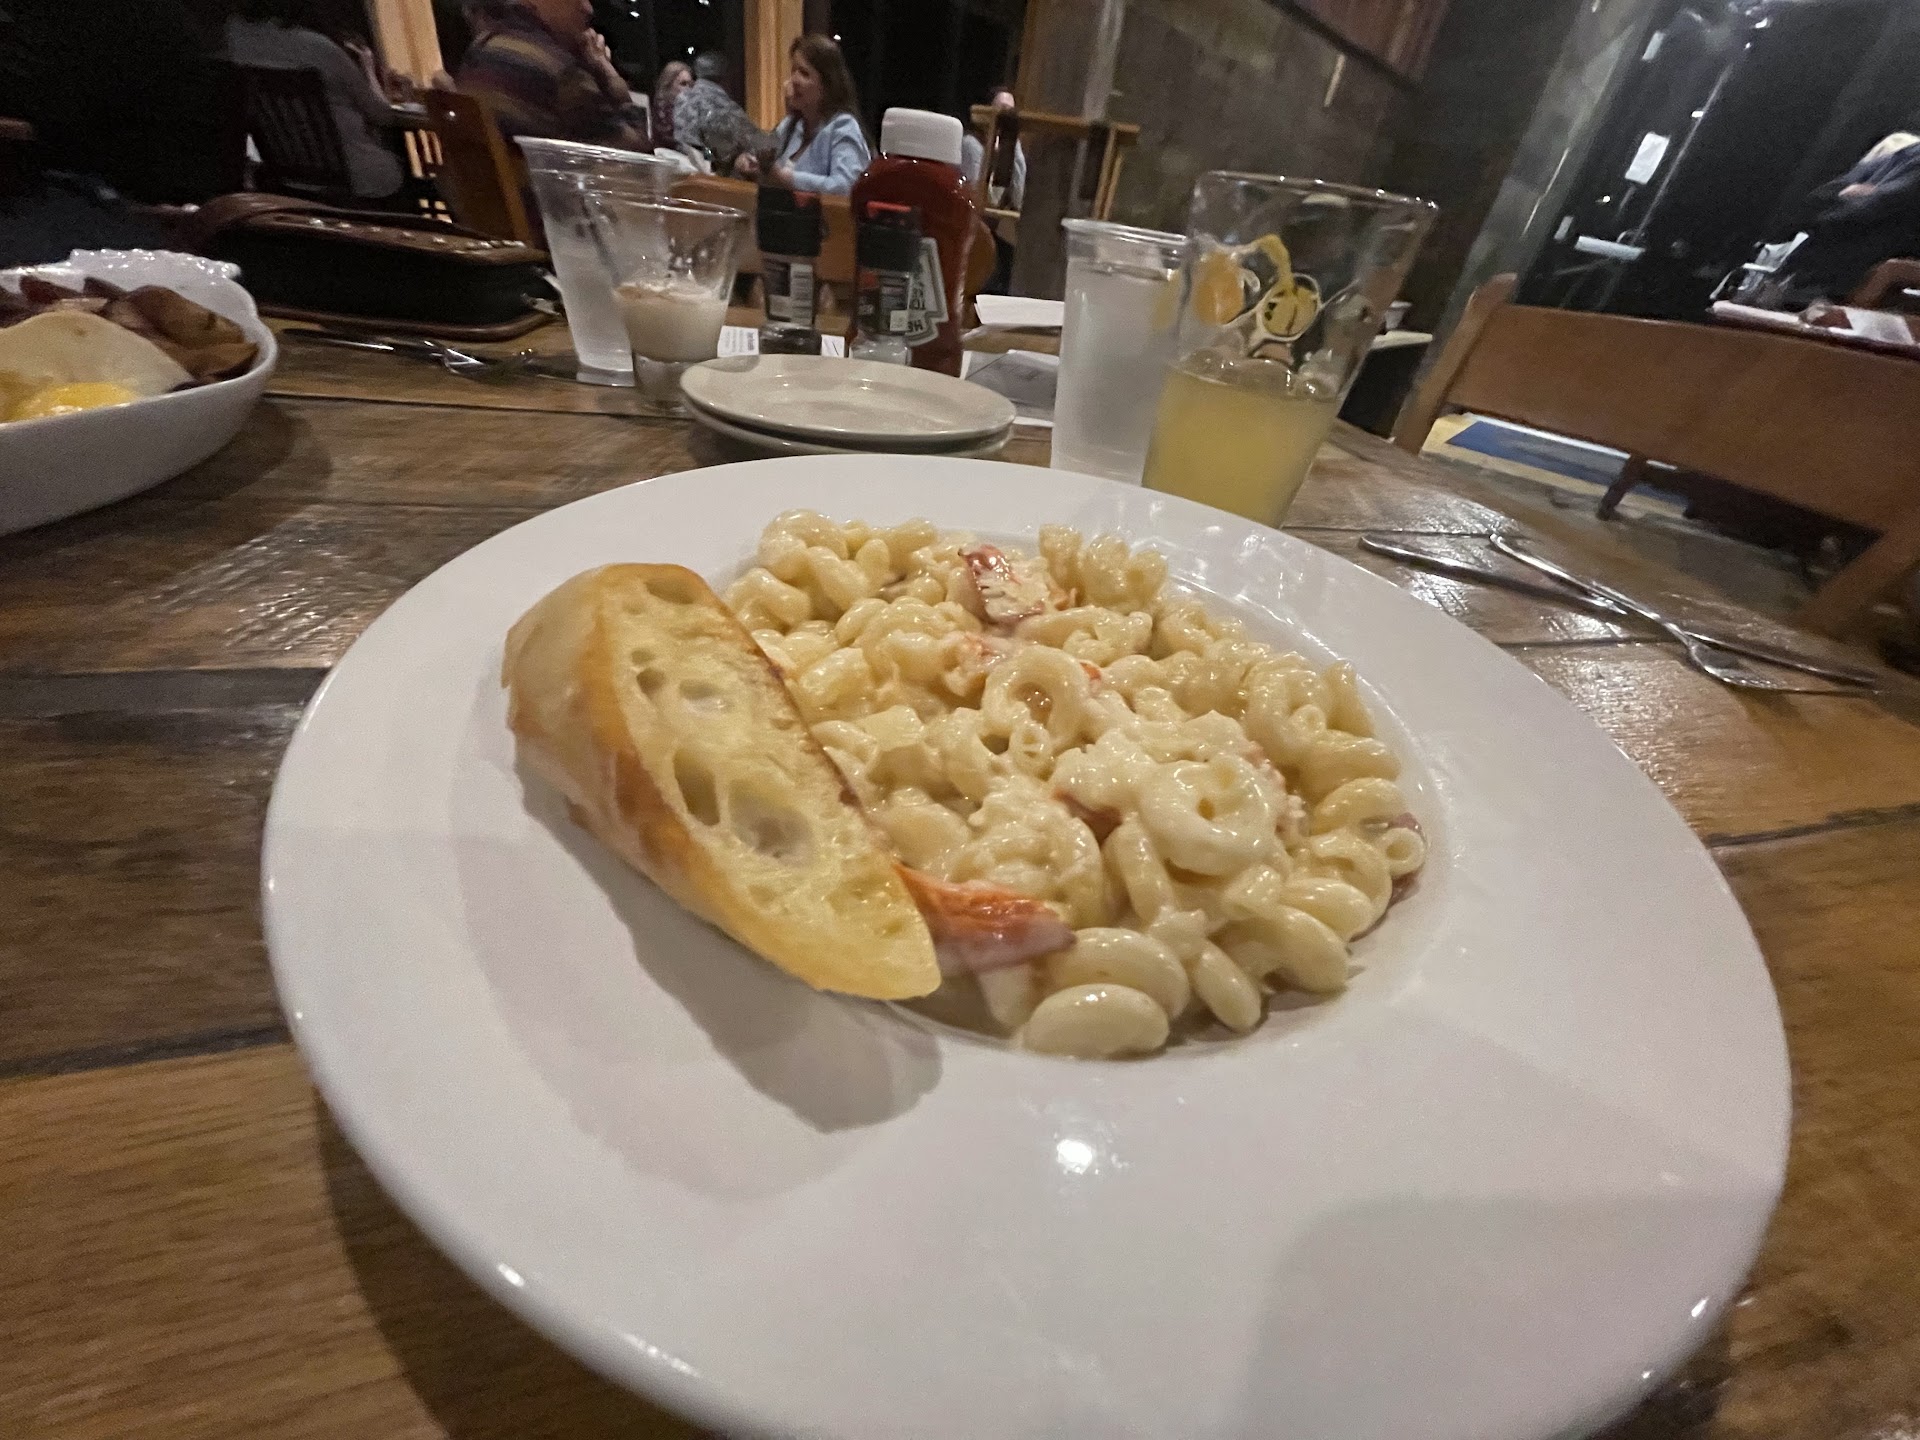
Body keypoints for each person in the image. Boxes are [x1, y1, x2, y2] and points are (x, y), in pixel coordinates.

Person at [227, 0, 405, 199]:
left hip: (289, 177)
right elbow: (382, 115)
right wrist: (368, 68)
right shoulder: (319, 48)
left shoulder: (238, 37)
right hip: (356, 175)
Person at [455, 0, 646, 150]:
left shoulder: (481, 49)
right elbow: (638, 154)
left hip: (487, 189)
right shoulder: (560, 72)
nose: (588, 9)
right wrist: (607, 73)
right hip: (539, 189)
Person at [1782, 115, 1920, 304]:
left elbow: (1866, 211)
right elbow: (1814, 200)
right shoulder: (1905, 153)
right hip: (1808, 275)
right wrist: (1849, 196)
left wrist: (1850, 197)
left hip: (1843, 286)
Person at [736, 35, 870, 197]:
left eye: (804, 73)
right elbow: (766, 164)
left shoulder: (842, 126)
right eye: (793, 71)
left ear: (827, 85)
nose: (794, 80)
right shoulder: (790, 125)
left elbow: (847, 187)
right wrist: (749, 163)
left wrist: (788, 179)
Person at [674, 50, 760, 174]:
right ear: (725, 76)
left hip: (683, 168)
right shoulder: (726, 104)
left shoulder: (683, 98)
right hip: (712, 172)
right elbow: (753, 143)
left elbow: (686, 141)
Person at [959, 85, 1026, 210]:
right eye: (1002, 109)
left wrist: (1013, 142)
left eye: (1011, 112)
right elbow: (975, 195)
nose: (1006, 118)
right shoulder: (971, 144)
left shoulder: (1009, 149)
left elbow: (1018, 199)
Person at [651, 59, 692, 152]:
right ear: (668, 86)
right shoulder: (661, 112)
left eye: (690, 85)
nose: (688, 89)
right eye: (683, 84)